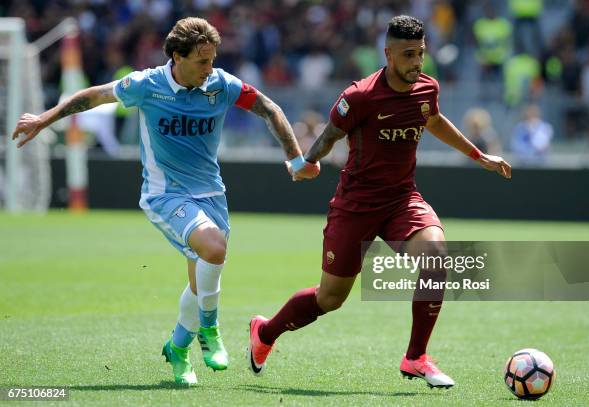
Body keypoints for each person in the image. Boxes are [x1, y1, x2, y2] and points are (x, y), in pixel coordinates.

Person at [11, 17, 319, 386]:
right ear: (177, 56)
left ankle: (177, 349)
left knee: (199, 280)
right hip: (165, 193)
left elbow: (268, 107)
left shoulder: (221, 84)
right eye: (202, 61)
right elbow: (92, 95)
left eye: (213, 59)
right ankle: (211, 328)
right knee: (214, 248)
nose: (211, 68)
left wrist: (296, 158)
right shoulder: (146, 85)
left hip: (211, 194)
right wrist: (44, 119)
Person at [248, 15, 511, 389]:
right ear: (388, 54)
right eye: (408, 55)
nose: (417, 63)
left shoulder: (426, 88)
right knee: (330, 299)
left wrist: (478, 155)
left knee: (437, 257)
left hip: (402, 199)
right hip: (355, 205)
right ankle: (266, 332)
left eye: (420, 53)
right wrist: (307, 163)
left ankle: (415, 358)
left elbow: (434, 121)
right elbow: (329, 135)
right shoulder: (360, 96)